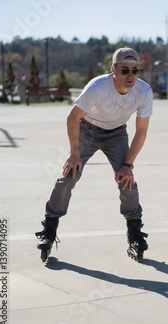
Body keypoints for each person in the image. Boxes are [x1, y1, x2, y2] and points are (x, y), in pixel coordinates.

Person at [35, 47, 153, 263]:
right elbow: (72, 117)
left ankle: (134, 231)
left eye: (135, 71)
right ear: (113, 70)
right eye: (124, 70)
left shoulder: (144, 91)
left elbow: (142, 131)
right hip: (87, 130)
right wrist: (74, 154)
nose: (130, 76)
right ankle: (49, 228)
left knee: (127, 179)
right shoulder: (98, 86)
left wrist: (128, 164)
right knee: (69, 177)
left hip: (116, 134)